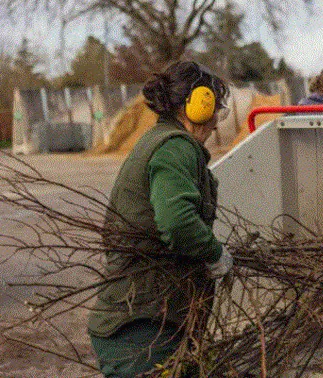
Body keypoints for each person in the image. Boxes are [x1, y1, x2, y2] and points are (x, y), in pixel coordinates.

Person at [87, 61, 233, 377]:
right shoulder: (176, 147)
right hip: (141, 331)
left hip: (145, 321)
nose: (216, 123)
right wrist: (214, 252)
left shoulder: (163, 140)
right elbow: (178, 223)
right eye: (216, 110)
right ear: (199, 106)